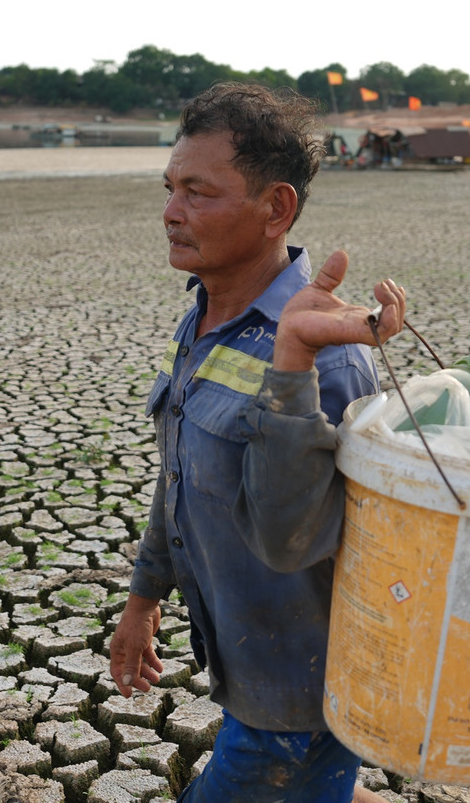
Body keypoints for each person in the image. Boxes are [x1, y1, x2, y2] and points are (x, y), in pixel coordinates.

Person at [108, 83, 406, 802]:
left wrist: (293, 362)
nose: (172, 212)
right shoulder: (207, 318)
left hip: (299, 699)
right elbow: (178, 473)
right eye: (170, 187)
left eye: (199, 192)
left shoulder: (332, 357)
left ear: (276, 208)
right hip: (250, 675)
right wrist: (144, 597)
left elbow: (296, 539)